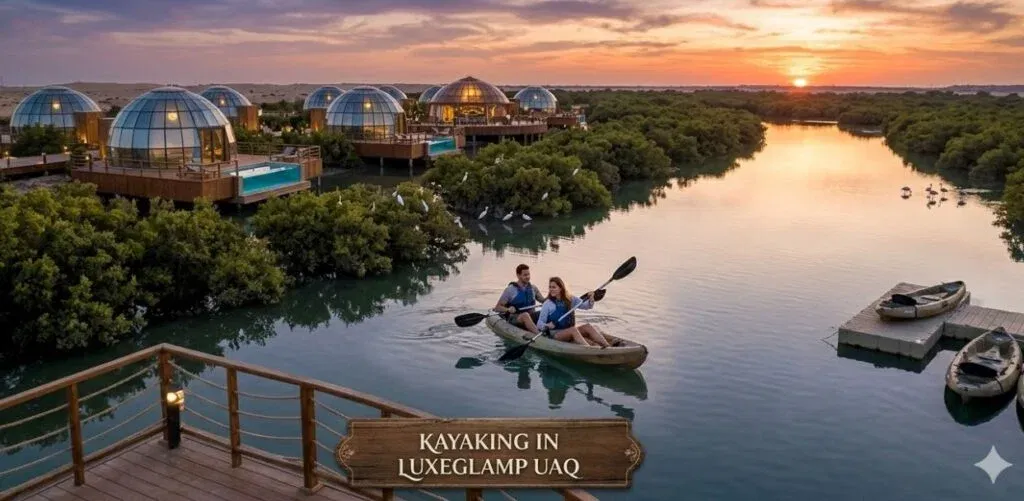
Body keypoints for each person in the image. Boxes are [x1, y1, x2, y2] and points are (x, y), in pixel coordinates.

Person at [536, 277, 620, 347]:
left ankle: (607, 346)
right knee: (573, 329)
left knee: (588, 326)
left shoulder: (571, 299)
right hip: (555, 334)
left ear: (561, 288)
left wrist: (591, 298)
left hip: (568, 330)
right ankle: (589, 350)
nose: (551, 289)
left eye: (554, 287)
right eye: (550, 287)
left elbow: (586, 306)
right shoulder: (548, 303)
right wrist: (547, 325)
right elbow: (539, 324)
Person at [494, 264, 545, 333]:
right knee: (525, 315)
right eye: (525, 275)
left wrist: (553, 295)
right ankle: (539, 335)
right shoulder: (510, 290)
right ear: (518, 275)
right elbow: (497, 308)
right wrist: (508, 309)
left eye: (528, 274)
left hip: (531, 316)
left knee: (543, 312)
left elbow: (544, 301)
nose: (528, 277)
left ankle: (548, 331)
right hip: (515, 318)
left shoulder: (533, 288)